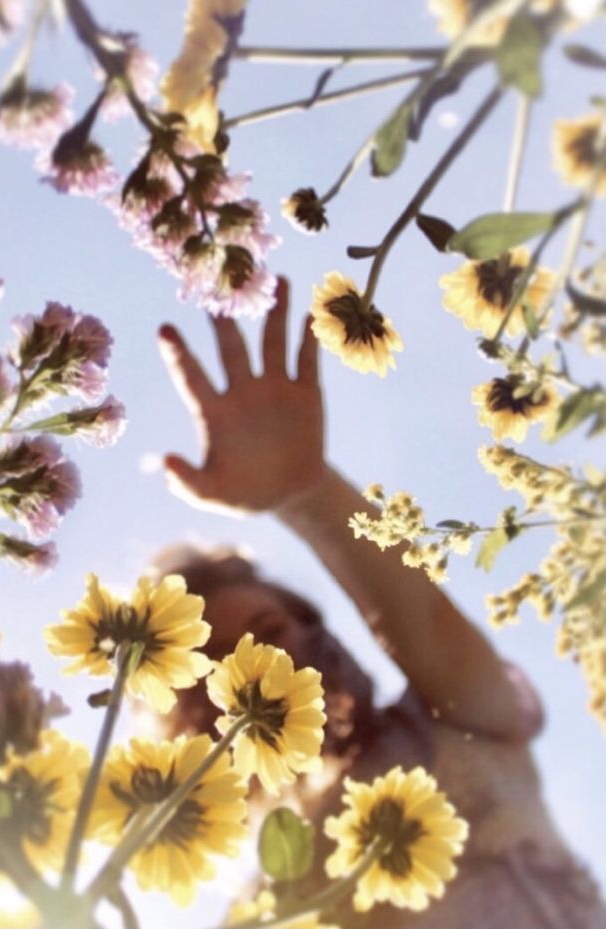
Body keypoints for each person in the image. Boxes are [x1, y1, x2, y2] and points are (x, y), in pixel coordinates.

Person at [153, 277, 606, 928]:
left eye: (268, 626)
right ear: (189, 715)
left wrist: (306, 494)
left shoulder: (452, 723)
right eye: (220, 659)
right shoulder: (267, 907)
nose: (259, 662)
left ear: (316, 628)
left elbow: (424, 626)